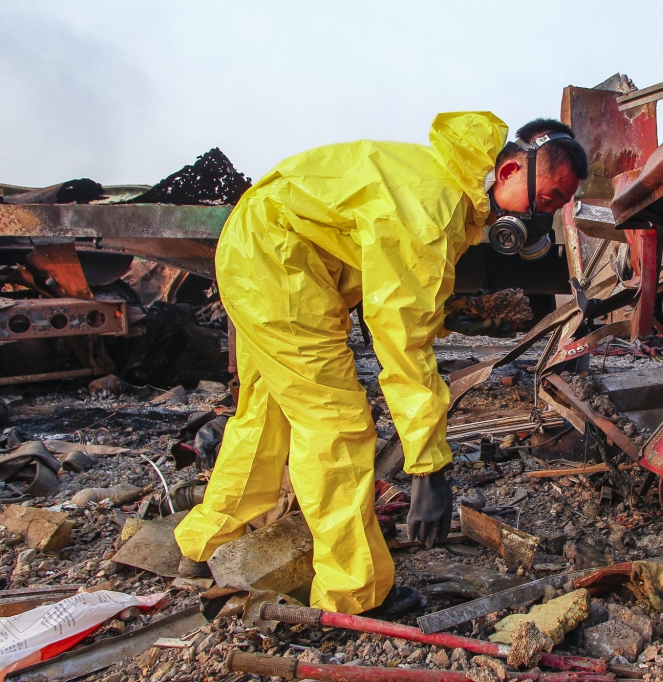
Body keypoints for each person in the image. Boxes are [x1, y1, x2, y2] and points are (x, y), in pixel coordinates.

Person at [173, 113, 588, 615]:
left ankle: (204, 544)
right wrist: (430, 466)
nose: (544, 217)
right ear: (508, 173)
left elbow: (396, 293)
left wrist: (447, 315)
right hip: (280, 262)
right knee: (336, 423)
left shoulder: (449, 189)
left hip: (263, 251)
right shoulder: (430, 211)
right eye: (546, 200)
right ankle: (354, 594)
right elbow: (403, 346)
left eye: (558, 206)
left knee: (267, 412)